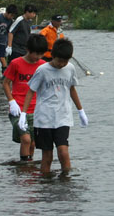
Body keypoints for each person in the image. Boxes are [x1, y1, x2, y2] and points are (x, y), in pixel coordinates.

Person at [20, 38, 87, 174]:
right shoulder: (42, 70)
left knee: (63, 151)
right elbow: (31, 91)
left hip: (63, 117)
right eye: (59, 61)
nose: (62, 64)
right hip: (44, 119)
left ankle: (66, 182)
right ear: (52, 56)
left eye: (65, 61)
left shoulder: (70, 68)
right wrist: (23, 114)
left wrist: (81, 111)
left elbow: (72, 89)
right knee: (47, 156)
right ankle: (45, 184)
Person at [3, 34, 47, 162]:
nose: (37, 58)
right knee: (26, 139)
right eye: (35, 54)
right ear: (28, 50)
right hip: (18, 109)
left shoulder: (43, 65)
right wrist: (12, 102)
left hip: (36, 109)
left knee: (33, 143)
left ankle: (29, 167)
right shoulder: (16, 63)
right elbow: (5, 83)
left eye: (41, 54)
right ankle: (23, 168)